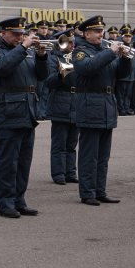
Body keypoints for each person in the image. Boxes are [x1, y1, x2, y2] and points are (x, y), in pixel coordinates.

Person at [0, 16, 48, 218]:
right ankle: (5, 202)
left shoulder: (26, 52)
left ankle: (19, 199)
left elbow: (41, 76)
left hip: (28, 110)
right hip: (9, 111)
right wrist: (24, 48)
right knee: (7, 161)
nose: (19, 37)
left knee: (23, 161)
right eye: (15, 34)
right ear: (3, 33)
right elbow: (2, 67)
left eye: (22, 34)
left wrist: (40, 56)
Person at [72, 16, 132, 206]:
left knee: (103, 155)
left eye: (101, 31)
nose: (101, 34)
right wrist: (111, 53)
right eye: (97, 31)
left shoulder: (105, 52)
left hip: (107, 104)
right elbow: (88, 68)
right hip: (90, 104)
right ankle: (87, 192)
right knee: (89, 154)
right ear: (86, 33)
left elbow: (122, 75)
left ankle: (100, 190)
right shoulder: (80, 51)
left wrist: (125, 58)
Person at [45, 30, 79, 185]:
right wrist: (65, 69)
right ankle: (58, 173)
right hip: (60, 99)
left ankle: (70, 172)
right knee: (60, 142)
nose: (72, 45)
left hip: (75, 101)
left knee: (72, 143)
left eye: (73, 42)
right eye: (68, 42)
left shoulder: (78, 56)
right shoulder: (53, 58)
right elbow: (49, 81)